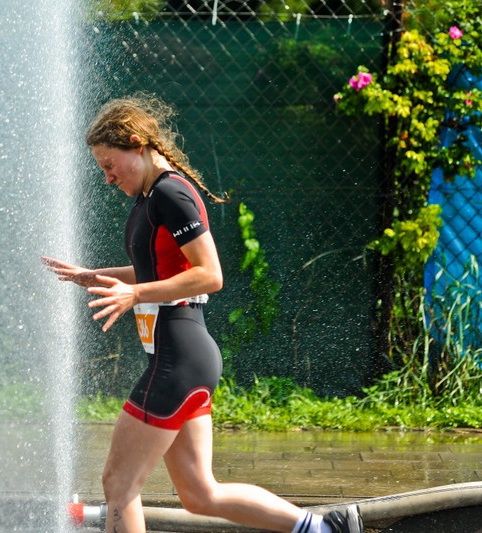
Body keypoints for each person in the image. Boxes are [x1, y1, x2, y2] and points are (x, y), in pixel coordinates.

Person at [42, 93, 363, 533]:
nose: (107, 176)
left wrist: (134, 295)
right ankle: (323, 529)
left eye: (109, 163)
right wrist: (95, 276)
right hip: (184, 355)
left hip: (178, 355)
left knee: (119, 483)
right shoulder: (151, 197)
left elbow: (210, 274)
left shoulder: (170, 193)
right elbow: (159, 270)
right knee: (199, 493)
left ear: (136, 143)